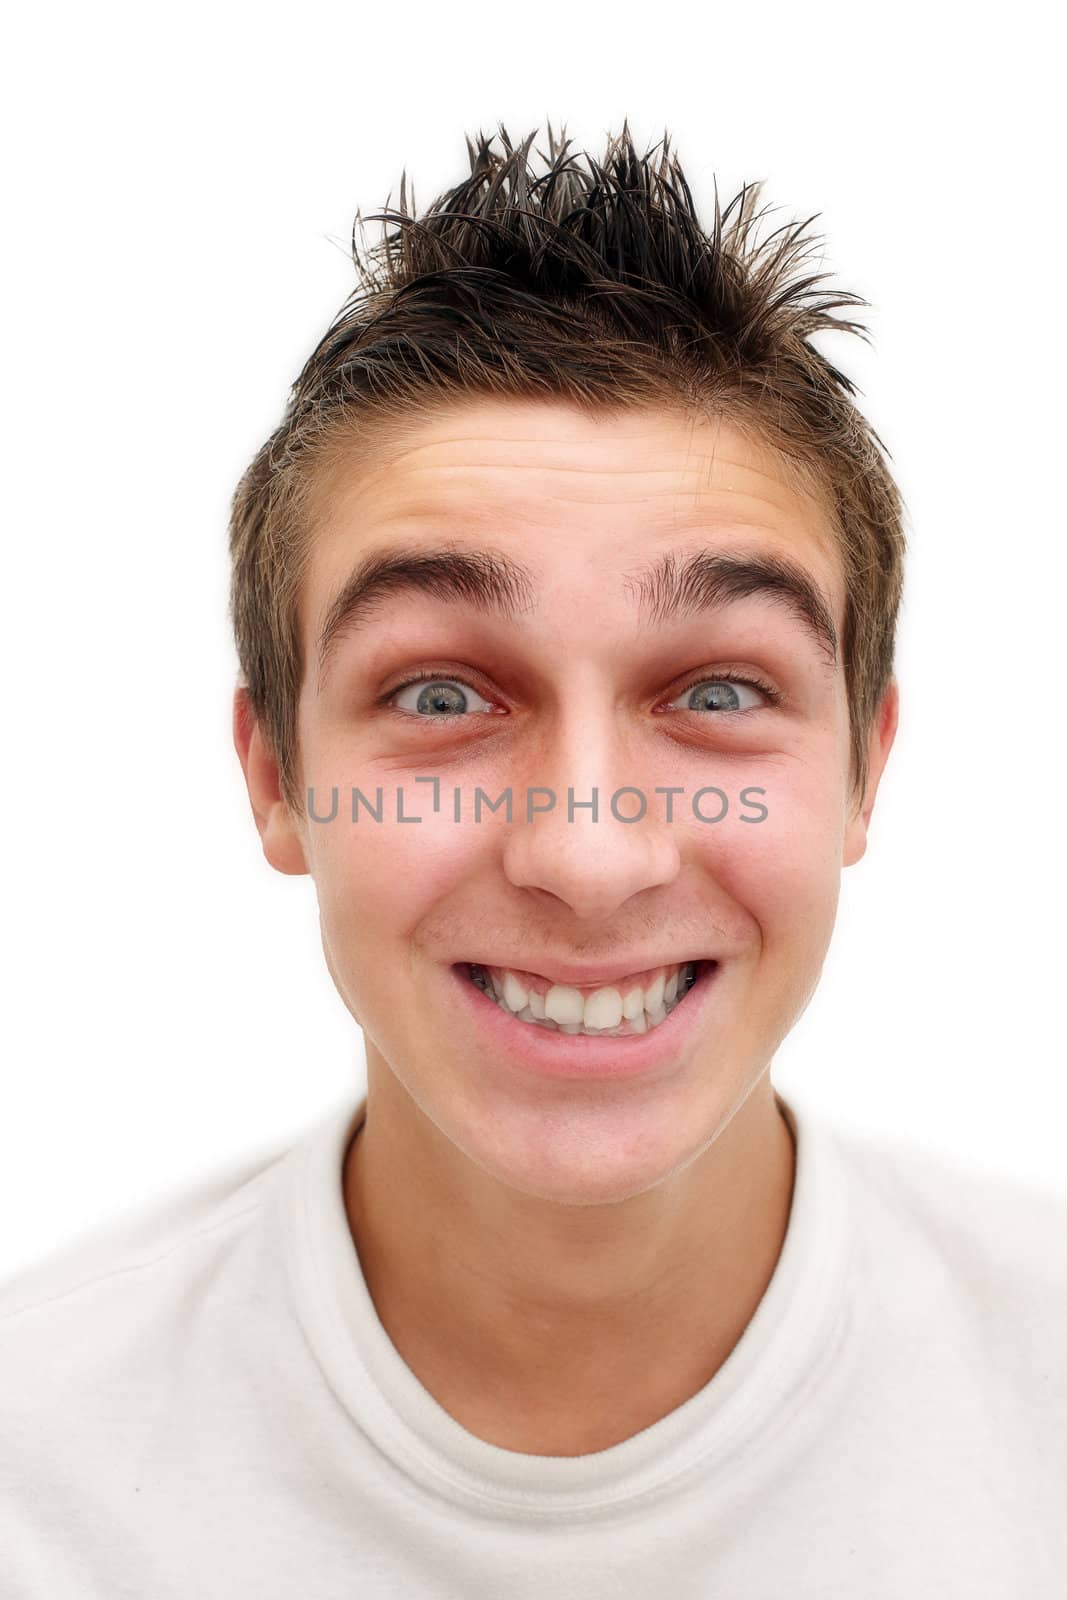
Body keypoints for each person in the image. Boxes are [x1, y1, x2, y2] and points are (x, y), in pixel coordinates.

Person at [2, 122, 1064, 1597]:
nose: (588, 854)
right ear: (278, 781)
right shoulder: (30, 1473)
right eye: (442, 696)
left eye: (717, 693)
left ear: (861, 772)